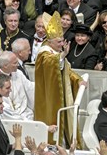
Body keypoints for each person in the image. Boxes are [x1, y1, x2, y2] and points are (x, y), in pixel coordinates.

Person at [34, 11, 86, 147]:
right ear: (49, 41)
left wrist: (78, 80)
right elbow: (50, 62)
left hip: (59, 93)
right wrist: (62, 55)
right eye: (59, 41)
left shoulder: (56, 52)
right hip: (49, 94)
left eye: (62, 40)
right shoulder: (44, 52)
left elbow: (66, 69)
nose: (62, 43)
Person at [0, 51, 35, 121]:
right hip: (6, 116)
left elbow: (30, 89)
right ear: (5, 65)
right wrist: (19, 118)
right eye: (15, 63)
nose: (18, 65)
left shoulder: (19, 73)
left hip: (24, 113)